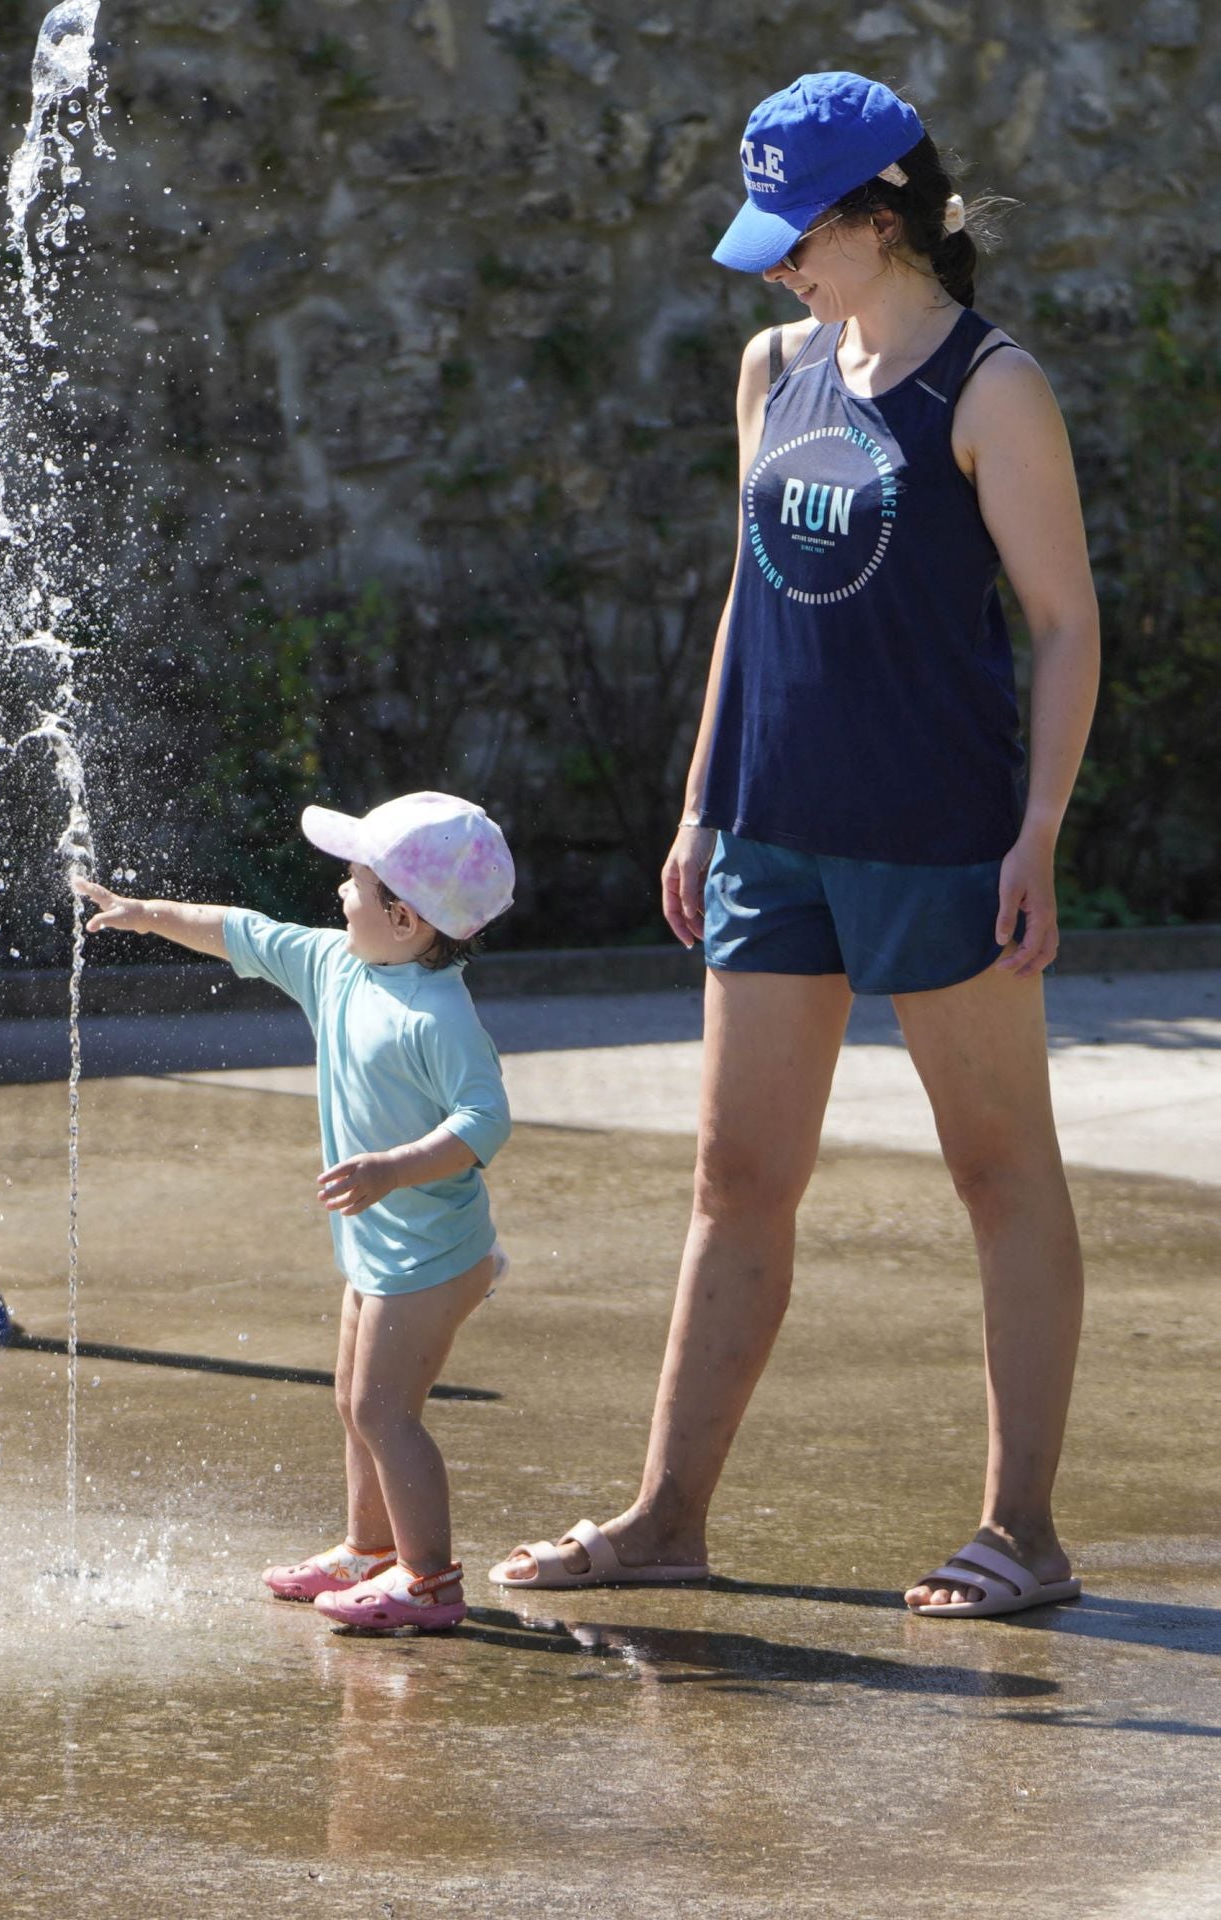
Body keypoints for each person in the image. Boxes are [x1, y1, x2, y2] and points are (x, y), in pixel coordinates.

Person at [490, 72, 1099, 1619]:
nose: (775, 267)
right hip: (774, 831)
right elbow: (751, 603)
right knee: (737, 1175)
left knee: (997, 1170)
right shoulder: (776, 367)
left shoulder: (991, 385)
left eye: (798, 235)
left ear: (881, 218)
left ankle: (1020, 1529)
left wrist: (1036, 832)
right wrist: (706, 800)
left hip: (943, 836)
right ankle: (666, 1516)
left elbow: (1065, 624)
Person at [74, 791, 514, 1634]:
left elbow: (485, 1120)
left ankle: (428, 1582)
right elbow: (237, 928)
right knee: (355, 1402)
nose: (339, 893)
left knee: (387, 1410)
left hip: (432, 1254)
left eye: (354, 880)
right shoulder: (336, 964)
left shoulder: (438, 1015)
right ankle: (367, 1549)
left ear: (405, 917)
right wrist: (145, 914)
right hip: (380, 1246)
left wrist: (396, 1167)